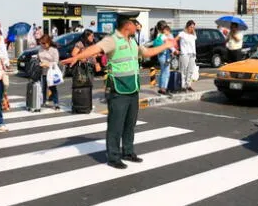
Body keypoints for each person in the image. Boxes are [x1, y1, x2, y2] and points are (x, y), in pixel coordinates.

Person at [61, 17, 175, 169]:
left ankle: (128, 151)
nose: (137, 26)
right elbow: (94, 49)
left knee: (130, 124)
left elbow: (147, 52)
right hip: (118, 89)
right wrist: (77, 57)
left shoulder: (132, 41)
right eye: (135, 24)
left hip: (133, 89)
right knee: (116, 124)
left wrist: (166, 45)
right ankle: (113, 156)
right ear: (127, 25)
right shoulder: (112, 40)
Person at [38, 34, 61, 110]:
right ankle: (43, 101)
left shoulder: (54, 50)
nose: (42, 45)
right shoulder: (41, 48)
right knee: (43, 88)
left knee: (52, 88)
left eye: (44, 43)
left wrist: (47, 64)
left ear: (48, 42)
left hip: (51, 72)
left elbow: (56, 62)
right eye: (41, 43)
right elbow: (39, 57)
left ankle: (56, 103)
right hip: (43, 71)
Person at [153, 23, 177, 95]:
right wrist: (174, 51)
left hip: (160, 55)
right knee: (166, 73)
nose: (169, 33)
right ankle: (164, 89)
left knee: (162, 72)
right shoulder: (164, 37)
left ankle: (161, 88)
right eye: (168, 31)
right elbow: (169, 45)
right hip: (164, 56)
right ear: (165, 30)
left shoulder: (158, 35)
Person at [176, 20, 197, 92]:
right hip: (185, 54)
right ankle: (182, 86)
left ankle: (188, 85)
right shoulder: (182, 34)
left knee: (190, 71)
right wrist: (176, 49)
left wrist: (193, 31)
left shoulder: (193, 34)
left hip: (192, 54)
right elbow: (175, 40)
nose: (192, 29)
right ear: (187, 26)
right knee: (183, 71)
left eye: (194, 27)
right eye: (191, 27)